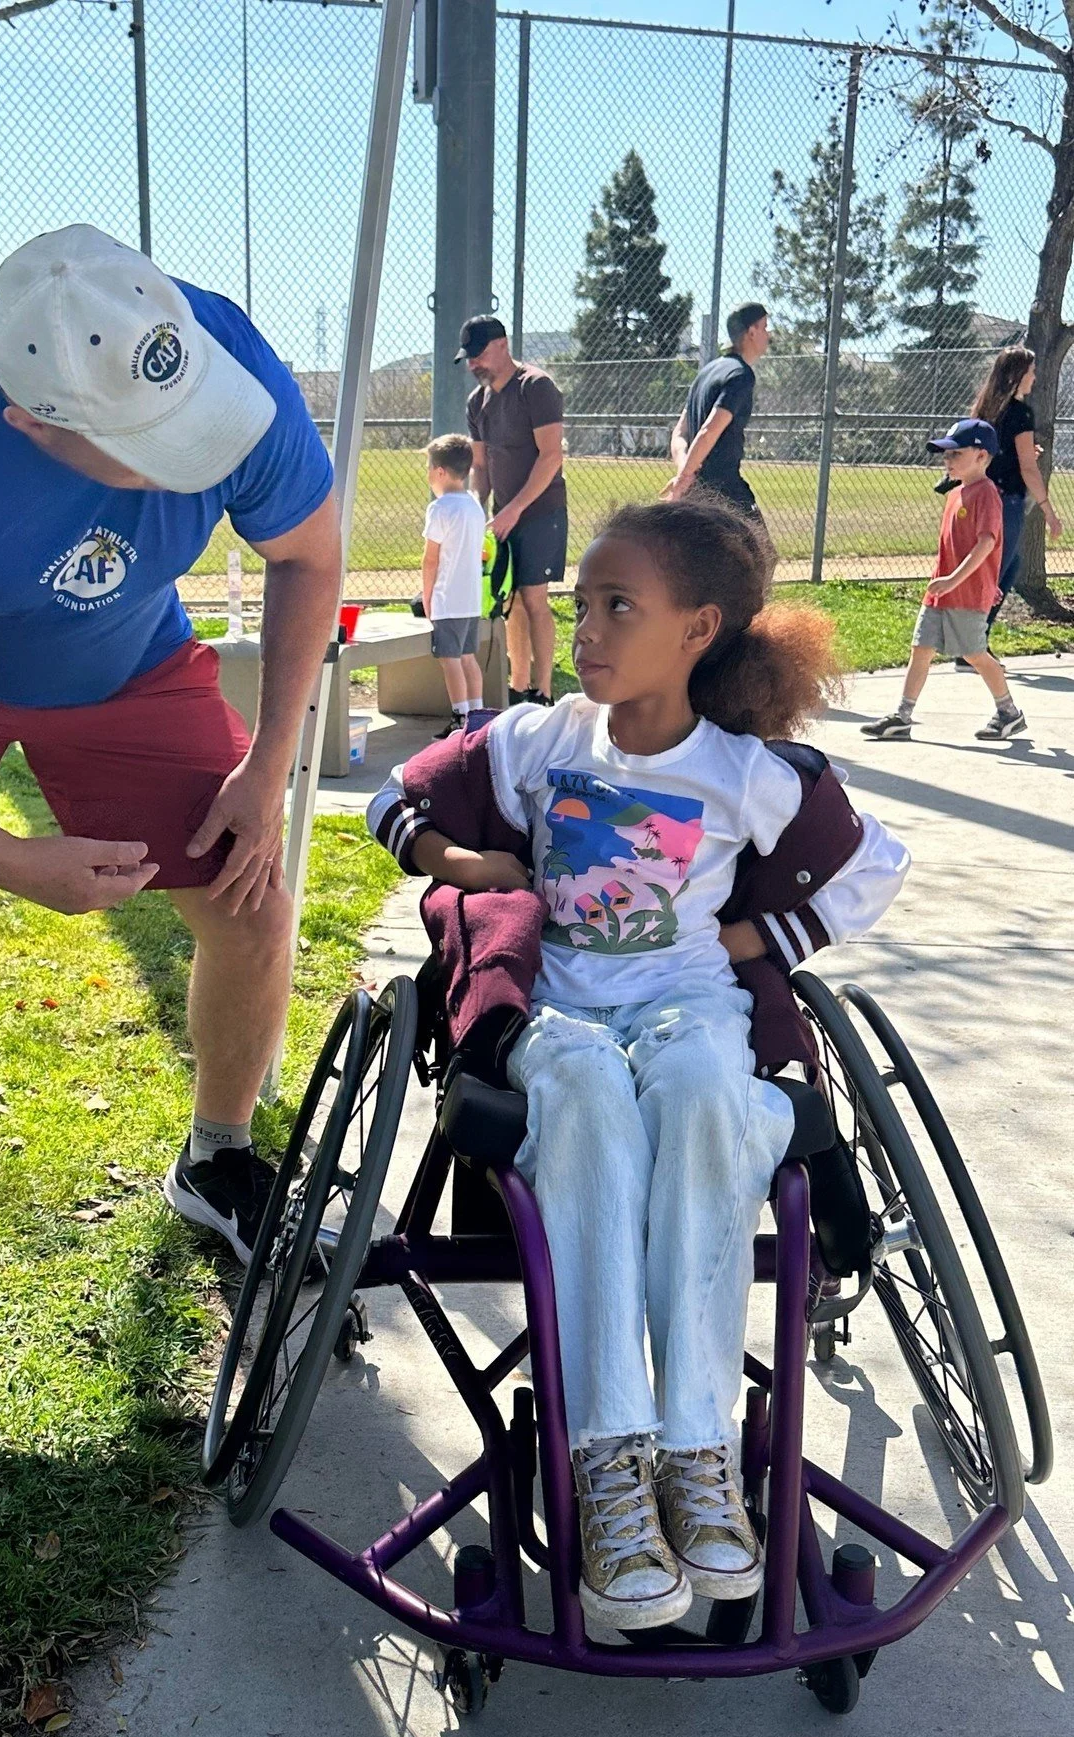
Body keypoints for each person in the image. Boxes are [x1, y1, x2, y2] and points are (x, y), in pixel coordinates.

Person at [0, 225, 340, 1404]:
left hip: (126, 660)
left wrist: (270, 768)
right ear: (31, 425)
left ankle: (219, 1158)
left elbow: (308, 558)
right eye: (150, 451)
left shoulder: (213, 353)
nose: (192, 465)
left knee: (250, 888)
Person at [369, 496, 906, 1633]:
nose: (588, 631)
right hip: (560, 1008)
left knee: (716, 1102)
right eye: (580, 606)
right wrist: (458, 856)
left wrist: (757, 941)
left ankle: (697, 1453)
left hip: (690, 1008)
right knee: (586, 1108)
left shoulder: (741, 771)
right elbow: (393, 793)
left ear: (698, 628)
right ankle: (610, 1460)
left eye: (620, 607)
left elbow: (867, 869)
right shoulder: (542, 737)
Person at [861, 417, 1027, 743]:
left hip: (966, 593)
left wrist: (954, 579)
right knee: (921, 648)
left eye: (955, 454)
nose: (947, 460)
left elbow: (987, 543)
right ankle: (902, 716)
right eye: (945, 455)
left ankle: (1009, 712)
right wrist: (943, 580)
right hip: (942, 592)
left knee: (974, 654)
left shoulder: (987, 494)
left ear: (981, 456)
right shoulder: (956, 494)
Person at [459, 315, 568, 707]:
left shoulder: (535, 388)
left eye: (480, 355)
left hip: (540, 512)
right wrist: (476, 511)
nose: (474, 365)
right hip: (504, 515)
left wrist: (516, 509)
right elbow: (481, 466)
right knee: (512, 603)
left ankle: (543, 691)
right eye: (469, 358)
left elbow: (551, 455)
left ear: (502, 345)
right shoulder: (478, 402)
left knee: (534, 598)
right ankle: (518, 688)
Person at [953, 346, 1064, 668]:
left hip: (981, 497)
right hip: (1004, 502)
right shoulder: (1019, 413)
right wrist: (1048, 510)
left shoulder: (985, 410)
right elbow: (1029, 470)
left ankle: (974, 644)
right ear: (1017, 376)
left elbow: (996, 455)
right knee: (996, 573)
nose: (1034, 376)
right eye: (1031, 370)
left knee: (1009, 566)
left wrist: (1024, 453)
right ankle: (970, 648)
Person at [665, 302, 770, 517]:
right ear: (752, 332)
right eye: (765, 327)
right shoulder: (740, 375)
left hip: (695, 492)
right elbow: (709, 430)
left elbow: (679, 433)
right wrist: (685, 478)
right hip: (725, 492)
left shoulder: (706, 372)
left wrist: (685, 475)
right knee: (759, 550)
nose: (768, 334)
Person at [420, 433, 487, 739]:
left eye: (429, 468)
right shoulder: (474, 506)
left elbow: (431, 559)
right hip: (471, 600)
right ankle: (478, 714)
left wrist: (428, 596)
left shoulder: (440, 508)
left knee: (450, 661)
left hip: (448, 600)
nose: (428, 475)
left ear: (441, 472)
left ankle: (460, 717)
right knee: (468, 657)